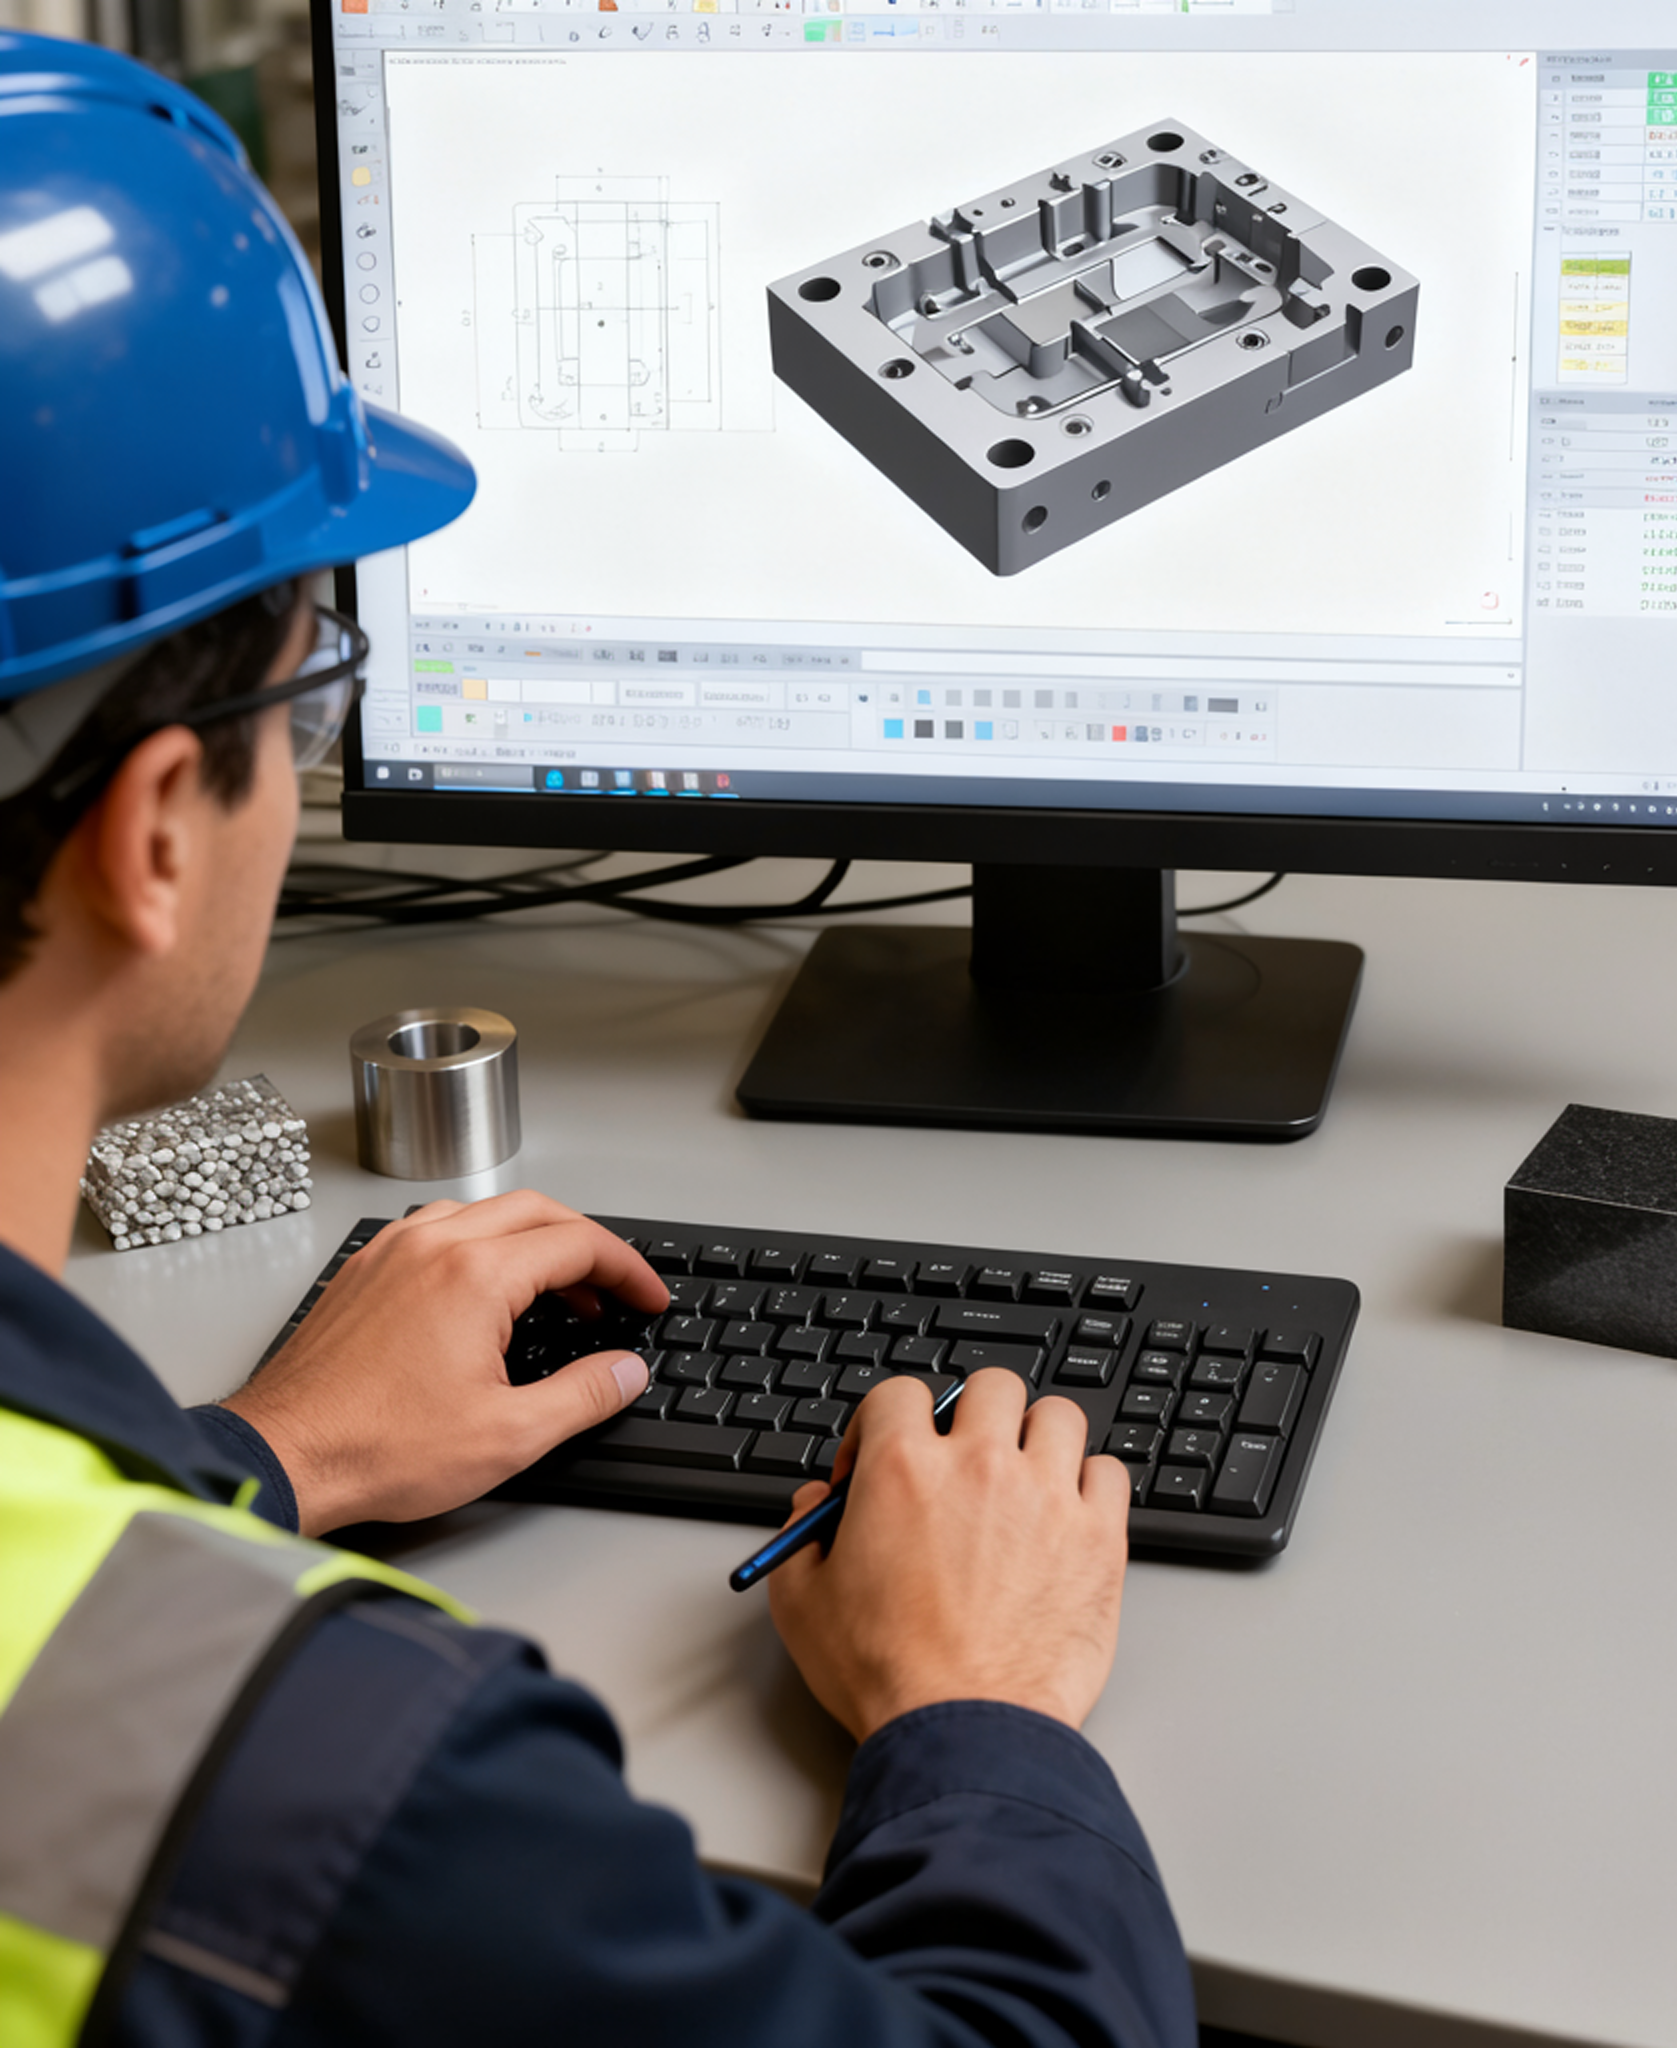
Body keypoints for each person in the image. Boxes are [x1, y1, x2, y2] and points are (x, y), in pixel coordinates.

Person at [0, 33, 1195, 2047]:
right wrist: (974, 1708)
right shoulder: (348, 1787)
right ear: (153, 831)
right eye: (314, 692)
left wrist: (247, 1462)